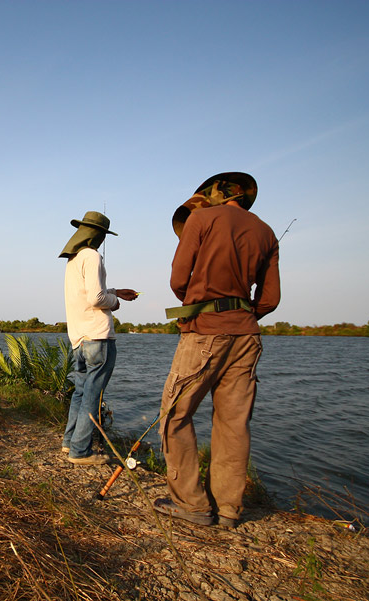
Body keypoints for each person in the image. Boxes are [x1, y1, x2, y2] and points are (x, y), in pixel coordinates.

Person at [154, 172, 280, 529]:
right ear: (243, 197)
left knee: (175, 415)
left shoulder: (201, 218)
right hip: (247, 336)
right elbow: (270, 299)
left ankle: (192, 504)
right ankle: (228, 509)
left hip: (204, 333)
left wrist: (203, 304)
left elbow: (179, 279)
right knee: (233, 424)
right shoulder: (267, 232)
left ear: (214, 194)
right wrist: (242, 312)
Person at [59, 211, 138, 466]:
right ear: (99, 234)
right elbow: (96, 299)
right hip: (97, 337)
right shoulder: (92, 256)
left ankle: (69, 442)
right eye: (103, 235)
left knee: (80, 392)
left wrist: (116, 291)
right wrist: (115, 302)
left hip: (78, 339)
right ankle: (80, 452)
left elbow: (85, 294)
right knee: (92, 394)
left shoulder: (74, 259)